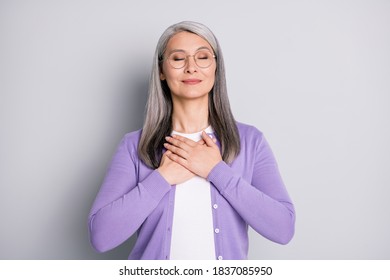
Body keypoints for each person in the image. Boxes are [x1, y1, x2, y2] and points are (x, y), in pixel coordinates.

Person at [88, 21, 295, 260]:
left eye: (203, 57)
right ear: (162, 71)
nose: (191, 67)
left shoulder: (250, 142)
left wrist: (216, 171)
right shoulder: (135, 146)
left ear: (216, 68)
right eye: (178, 59)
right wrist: (163, 178)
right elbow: (101, 237)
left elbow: (283, 229)